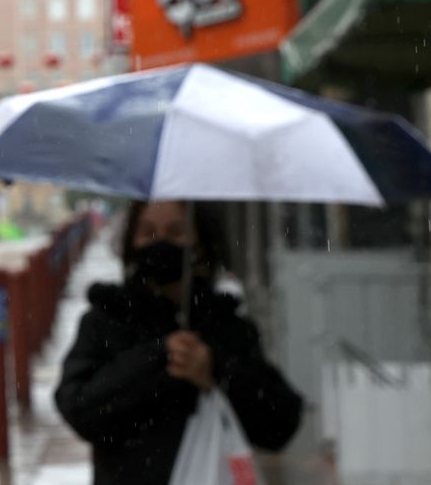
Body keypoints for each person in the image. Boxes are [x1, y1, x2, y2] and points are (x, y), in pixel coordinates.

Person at [55, 200, 302, 484]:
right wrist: (158, 358)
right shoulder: (107, 319)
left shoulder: (227, 324)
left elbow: (280, 426)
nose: (160, 243)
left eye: (176, 232)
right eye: (147, 232)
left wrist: (216, 371)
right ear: (131, 242)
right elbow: (80, 409)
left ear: (201, 244)